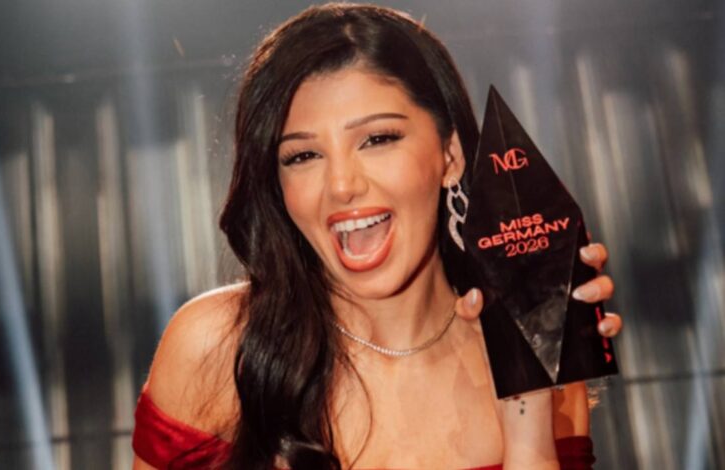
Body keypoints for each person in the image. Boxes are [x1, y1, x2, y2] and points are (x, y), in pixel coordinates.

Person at [132, 3, 623, 469]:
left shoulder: (539, 363)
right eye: (303, 156)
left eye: (378, 139)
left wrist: (526, 385)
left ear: (450, 156)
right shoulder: (218, 349)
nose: (341, 185)